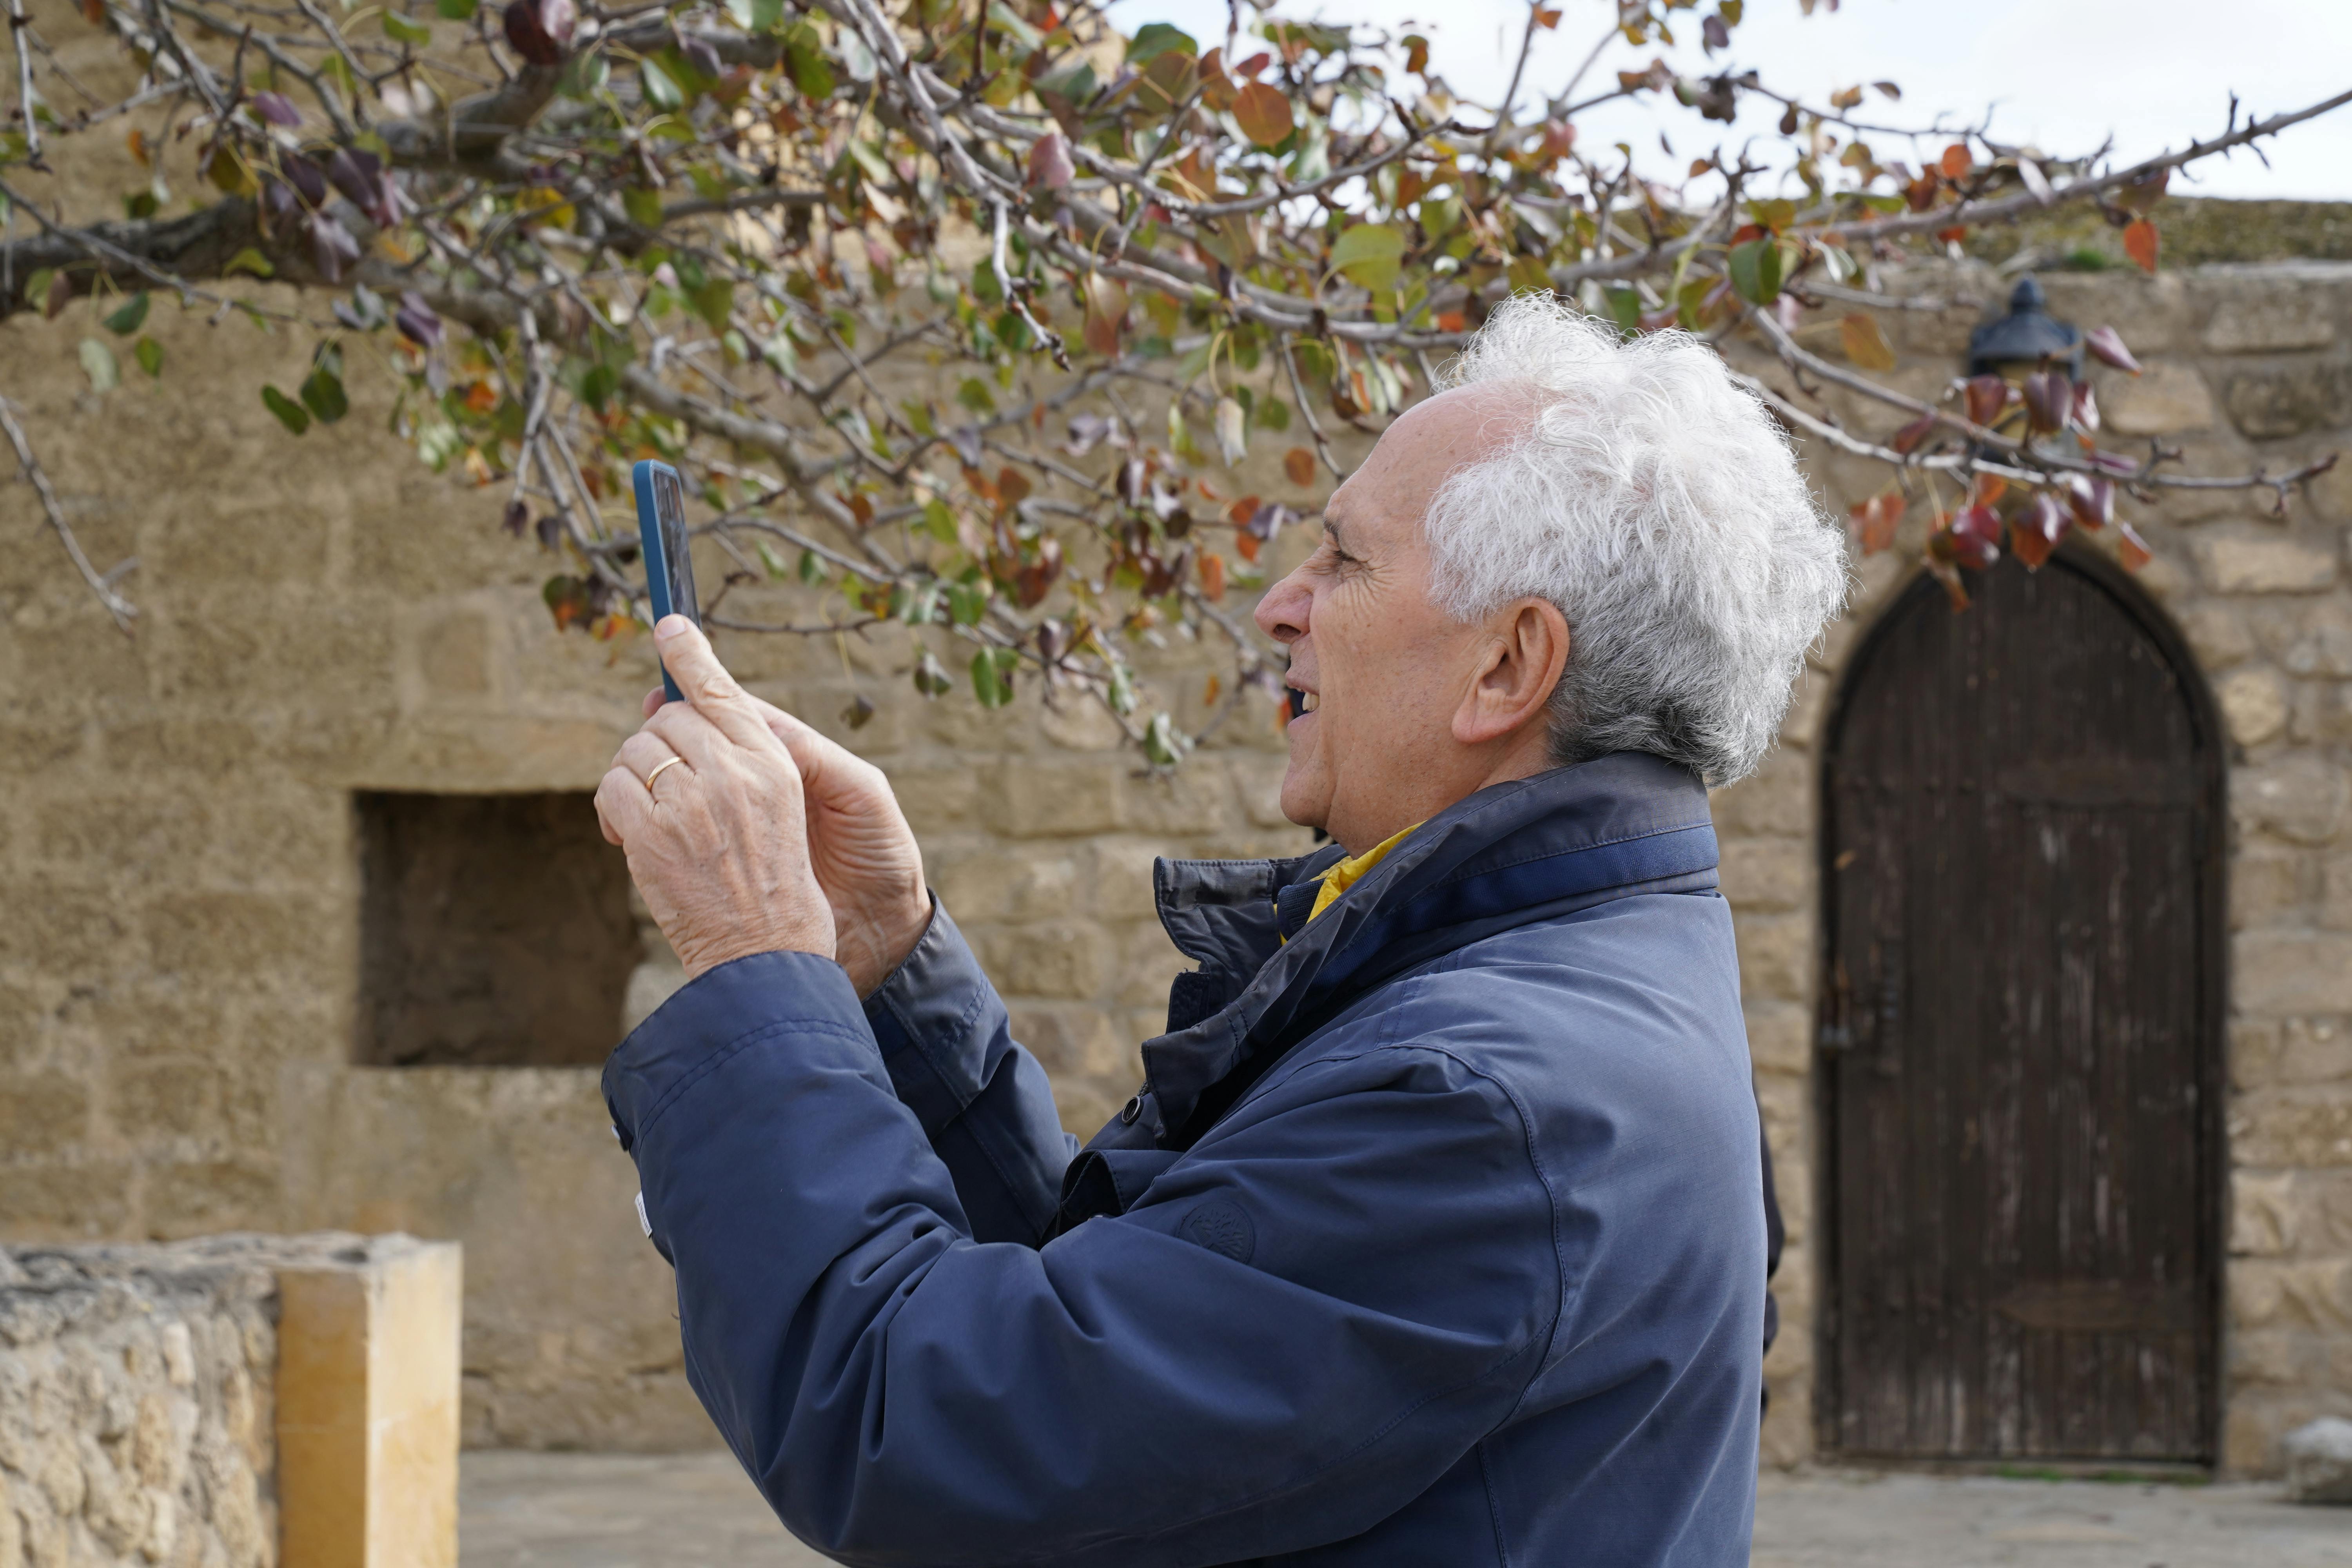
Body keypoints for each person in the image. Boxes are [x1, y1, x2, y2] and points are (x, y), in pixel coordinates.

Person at [594, 294, 1847, 1567]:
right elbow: (1132, 1335)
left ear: (1509, 667)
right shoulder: (1564, 984)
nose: (1281, 606)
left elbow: (913, 1428)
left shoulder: (1486, 1101)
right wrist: (883, 962)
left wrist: (759, 954)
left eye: (1344, 563)